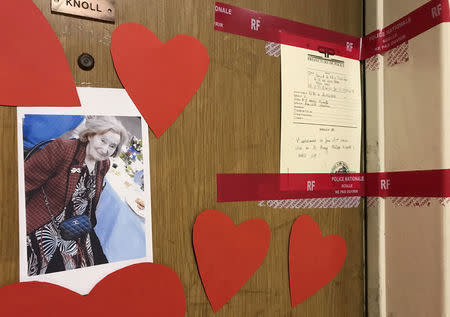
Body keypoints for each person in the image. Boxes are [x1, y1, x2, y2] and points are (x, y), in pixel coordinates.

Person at [25, 116, 129, 275]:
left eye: (112, 146)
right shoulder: (63, 149)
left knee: (83, 270)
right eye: (103, 140)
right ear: (90, 135)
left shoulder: (104, 164)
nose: (106, 149)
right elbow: (24, 180)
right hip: (47, 217)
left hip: (75, 223)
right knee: (44, 268)